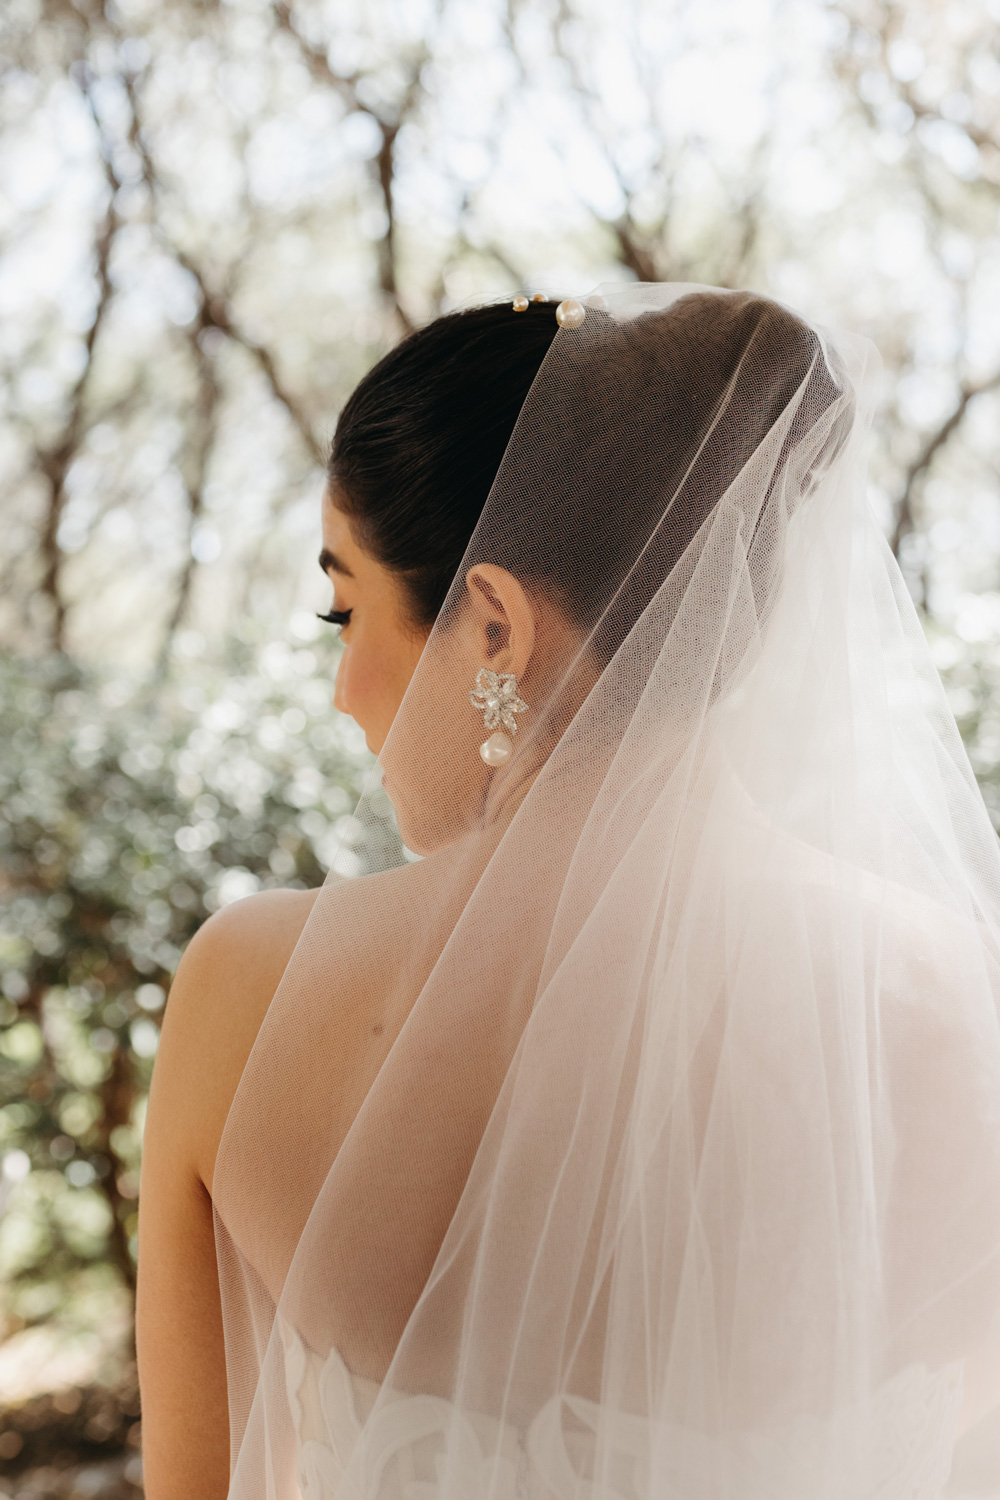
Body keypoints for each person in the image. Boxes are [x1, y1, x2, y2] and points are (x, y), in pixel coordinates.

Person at [137, 284, 1000, 1500]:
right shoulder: (953, 998)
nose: (342, 690)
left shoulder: (251, 996)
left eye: (347, 611)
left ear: (493, 625)